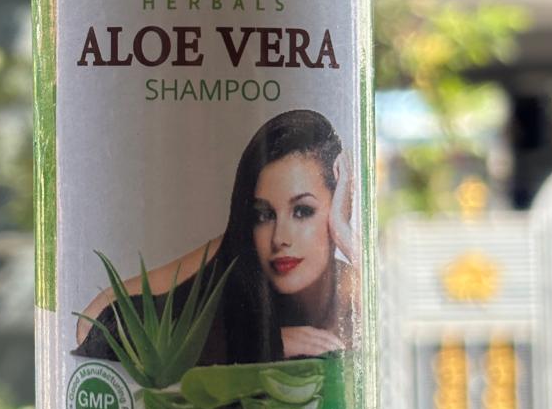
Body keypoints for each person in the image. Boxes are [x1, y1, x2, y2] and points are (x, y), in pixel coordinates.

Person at [75, 109, 360, 364]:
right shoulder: (238, 258)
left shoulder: (355, 290)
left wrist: (343, 231)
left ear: (339, 202)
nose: (279, 238)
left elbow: (385, 321)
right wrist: (262, 342)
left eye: (302, 211)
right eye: (264, 215)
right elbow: (91, 323)